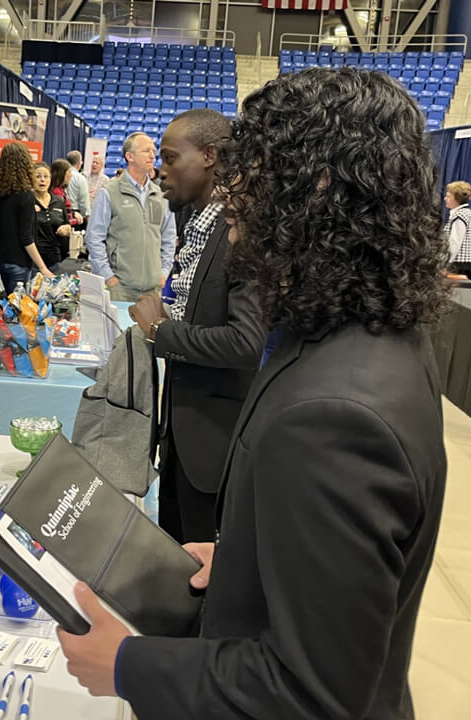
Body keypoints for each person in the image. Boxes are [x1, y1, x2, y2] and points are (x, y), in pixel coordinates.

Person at [59, 68, 451, 720]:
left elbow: (313, 692)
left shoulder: (335, 416)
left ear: (314, 188)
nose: (232, 194)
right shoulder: (366, 333)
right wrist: (245, 554)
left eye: (252, 174)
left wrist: (126, 665)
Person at [127, 109, 266, 544]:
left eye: (170, 159)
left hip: (215, 446)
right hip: (182, 438)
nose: (161, 172)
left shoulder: (237, 231)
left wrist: (160, 332)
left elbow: (246, 342)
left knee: (203, 579)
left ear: (209, 156)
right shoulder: (200, 227)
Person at [84, 132, 176, 301]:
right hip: (121, 289)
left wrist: (163, 272)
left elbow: (169, 238)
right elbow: (94, 238)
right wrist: (108, 276)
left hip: (153, 290)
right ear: (129, 156)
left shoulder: (161, 195)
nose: (152, 155)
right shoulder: (109, 192)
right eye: (146, 150)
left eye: (153, 150)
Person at [0, 143, 53, 292]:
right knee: (19, 311)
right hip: (18, 261)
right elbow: (26, 238)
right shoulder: (26, 196)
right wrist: (42, 267)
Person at [30, 161, 74, 272]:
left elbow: (67, 224)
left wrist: (66, 228)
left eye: (46, 176)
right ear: (31, 179)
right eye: (38, 176)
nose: (42, 180)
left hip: (55, 258)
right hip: (32, 260)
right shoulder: (27, 201)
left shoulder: (59, 201)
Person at [445, 180, 471, 278]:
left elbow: (454, 243)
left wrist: (445, 264)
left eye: (448, 196)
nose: (445, 199)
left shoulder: (460, 215)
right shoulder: (464, 213)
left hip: (458, 266)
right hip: (459, 265)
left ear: (457, 199)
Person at [49, 158, 84, 230]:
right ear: (61, 173)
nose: (71, 175)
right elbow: (59, 218)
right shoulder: (56, 193)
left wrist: (73, 214)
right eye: (69, 172)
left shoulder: (61, 191)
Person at [65, 150, 91, 226]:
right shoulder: (80, 178)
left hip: (62, 212)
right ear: (79, 163)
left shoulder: (62, 175)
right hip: (76, 215)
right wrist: (86, 216)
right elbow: (84, 201)